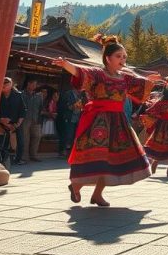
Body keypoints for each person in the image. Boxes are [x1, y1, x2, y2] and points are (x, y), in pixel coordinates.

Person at [54, 34, 160, 207]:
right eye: (118, 56)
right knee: (96, 157)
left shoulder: (126, 77)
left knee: (111, 159)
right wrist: (67, 65)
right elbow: (82, 72)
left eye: (124, 56)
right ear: (108, 58)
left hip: (118, 121)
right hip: (98, 120)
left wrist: (151, 81)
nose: (122, 59)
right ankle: (76, 186)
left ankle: (97, 194)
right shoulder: (98, 74)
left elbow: (142, 84)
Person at [0, 77, 24, 166]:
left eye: (7, 83)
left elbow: (22, 111)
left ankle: (5, 164)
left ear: (11, 85)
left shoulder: (18, 95)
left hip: (13, 126)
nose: (4, 84)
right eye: (3, 82)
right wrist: (0, 119)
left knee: (10, 147)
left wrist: (17, 124)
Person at [16, 79, 43, 164]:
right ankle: (24, 157)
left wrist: (39, 118)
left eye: (36, 84)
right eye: (34, 84)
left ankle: (33, 155)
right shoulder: (21, 94)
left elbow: (41, 107)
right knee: (25, 138)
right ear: (28, 84)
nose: (35, 86)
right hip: (25, 119)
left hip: (35, 119)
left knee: (37, 136)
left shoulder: (39, 96)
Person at [57, 87, 83, 158]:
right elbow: (65, 106)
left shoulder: (81, 95)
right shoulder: (68, 94)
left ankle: (72, 152)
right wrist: (74, 105)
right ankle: (64, 151)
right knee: (68, 135)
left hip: (77, 118)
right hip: (69, 117)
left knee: (75, 136)